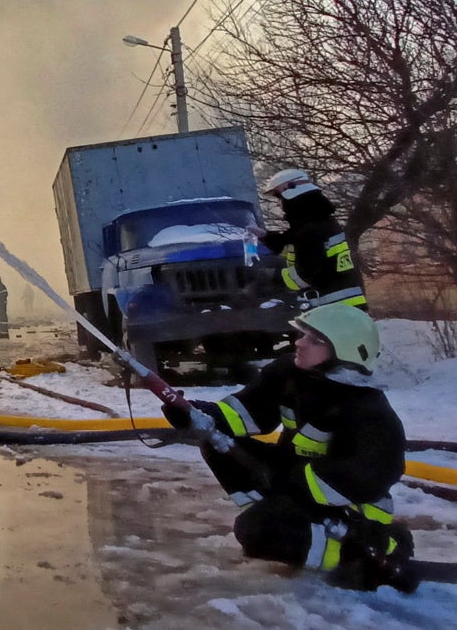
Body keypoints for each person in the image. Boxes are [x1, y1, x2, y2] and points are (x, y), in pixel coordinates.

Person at [164, 302, 415, 592]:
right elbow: (246, 411)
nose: (300, 342)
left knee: (256, 532)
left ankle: (357, 554)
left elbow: (366, 478)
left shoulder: (368, 411)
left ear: (343, 350)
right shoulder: (289, 374)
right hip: (297, 482)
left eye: (314, 340)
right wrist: (194, 413)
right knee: (217, 443)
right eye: (304, 334)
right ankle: (285, 523)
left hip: (351, 509)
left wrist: (294, 484)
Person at [258, 168, 367, 311]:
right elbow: (293, 247)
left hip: (335, 308)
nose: (278, 203)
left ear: (290, 191)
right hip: (344, 305)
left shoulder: (311, 229)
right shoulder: (317, 220)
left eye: (279, 197)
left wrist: (270, 281)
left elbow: (306, 273)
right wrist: (264, 236)